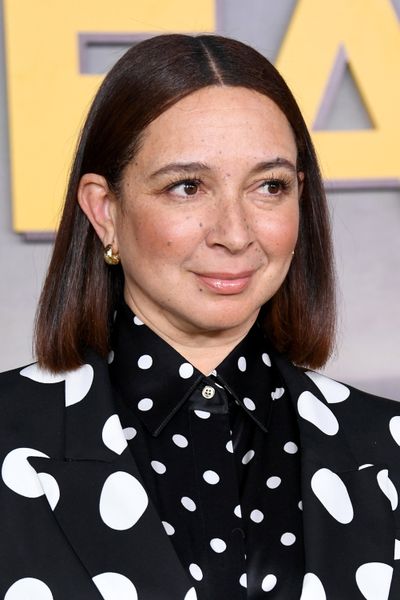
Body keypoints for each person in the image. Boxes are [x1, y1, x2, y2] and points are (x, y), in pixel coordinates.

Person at [0, 34, 399, 600]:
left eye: (269, 187)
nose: (235, 234)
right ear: (105, 210)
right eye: (187, 187)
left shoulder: (391, 448)